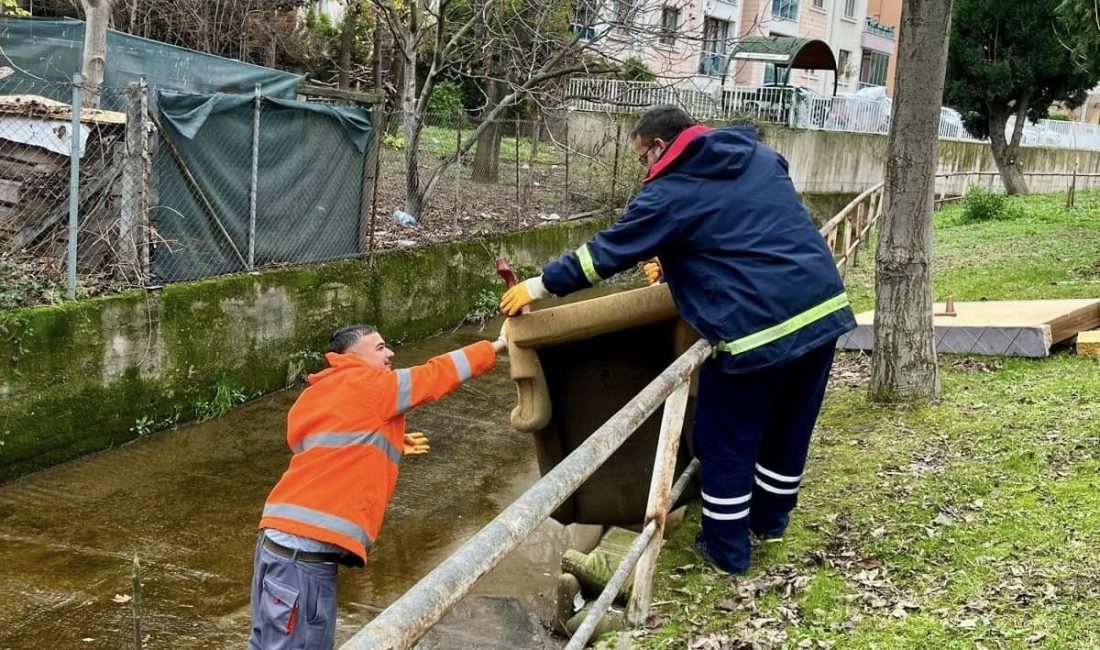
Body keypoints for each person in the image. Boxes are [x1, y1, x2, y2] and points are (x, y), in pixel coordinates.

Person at [499, 105, 855, 575]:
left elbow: (603, 255)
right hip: (822, 310)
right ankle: (770, 523)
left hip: (755, 331)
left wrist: (538, 286)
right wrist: (676, 257)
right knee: (791, 425)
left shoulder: (669, 193)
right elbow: (740, 228)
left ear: (660, 146)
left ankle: (726, 553)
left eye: (642, 157)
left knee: (724, 436)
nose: (643, 168)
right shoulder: (758, 156)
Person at [248, 324, 506, 649]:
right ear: (353, 355)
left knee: (264, 644)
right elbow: (436, 374)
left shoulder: (317, 393)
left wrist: (386, 439)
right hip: (303, 559)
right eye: (381, 347)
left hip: (274, 542)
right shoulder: (372, 385)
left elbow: (325, 450)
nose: (390, 353)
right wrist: (496, 345)